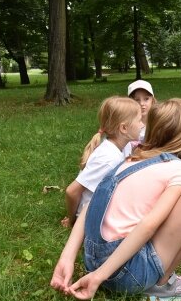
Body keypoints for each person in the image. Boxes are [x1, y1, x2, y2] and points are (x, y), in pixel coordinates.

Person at [51, 99, 181, 301]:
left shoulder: (129, 159)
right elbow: (148, 225)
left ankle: (128, 275)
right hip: (127, 275)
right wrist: (99, 277)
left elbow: (89, 206)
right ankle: (162, 283)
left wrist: (67, 259)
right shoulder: (180, 170)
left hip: (93, 263)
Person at [61, 97, 143, 228]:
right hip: (92, 216)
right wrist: (72, 221)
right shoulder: (108, 159)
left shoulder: (124, 145)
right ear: (124, 128)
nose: (142, 125)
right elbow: (72, 191)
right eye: (139, 121)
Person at [123, 79, 156, 156]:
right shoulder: (126, 125)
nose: (142, 103)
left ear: (152, 100)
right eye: (137, 100)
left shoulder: (158, 122)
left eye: (146, 99)